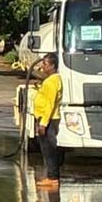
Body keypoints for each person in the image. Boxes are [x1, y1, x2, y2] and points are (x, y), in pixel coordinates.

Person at [34, 53, 63, 186]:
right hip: (47, 118)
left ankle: (52, 178)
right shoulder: (52, 79)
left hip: (48, 119)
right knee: (47, 149)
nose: (42, 66)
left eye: (45, 64)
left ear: (52, 66)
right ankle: (51, 177)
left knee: (49, 150)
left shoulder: (52, 82)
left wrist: (43, 124)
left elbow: (50, 104)